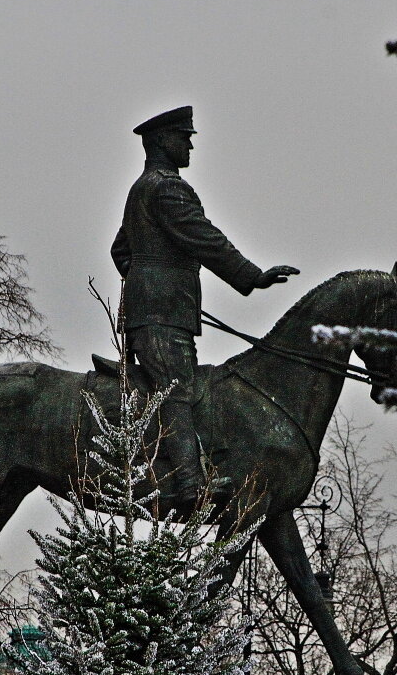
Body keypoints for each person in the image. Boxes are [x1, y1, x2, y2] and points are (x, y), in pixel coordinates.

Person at [112, 105, 299, 507]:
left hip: (159, 308)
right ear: (163, 140)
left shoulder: (141, 188)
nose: (191, 144)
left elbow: (120, 251)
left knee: (181, 386)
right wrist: (252, 275)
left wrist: (146, 279)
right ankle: (189, 483)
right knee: (176, 389)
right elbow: (204, 239)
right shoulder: (166, 187)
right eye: (184, 137)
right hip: (163, 311)